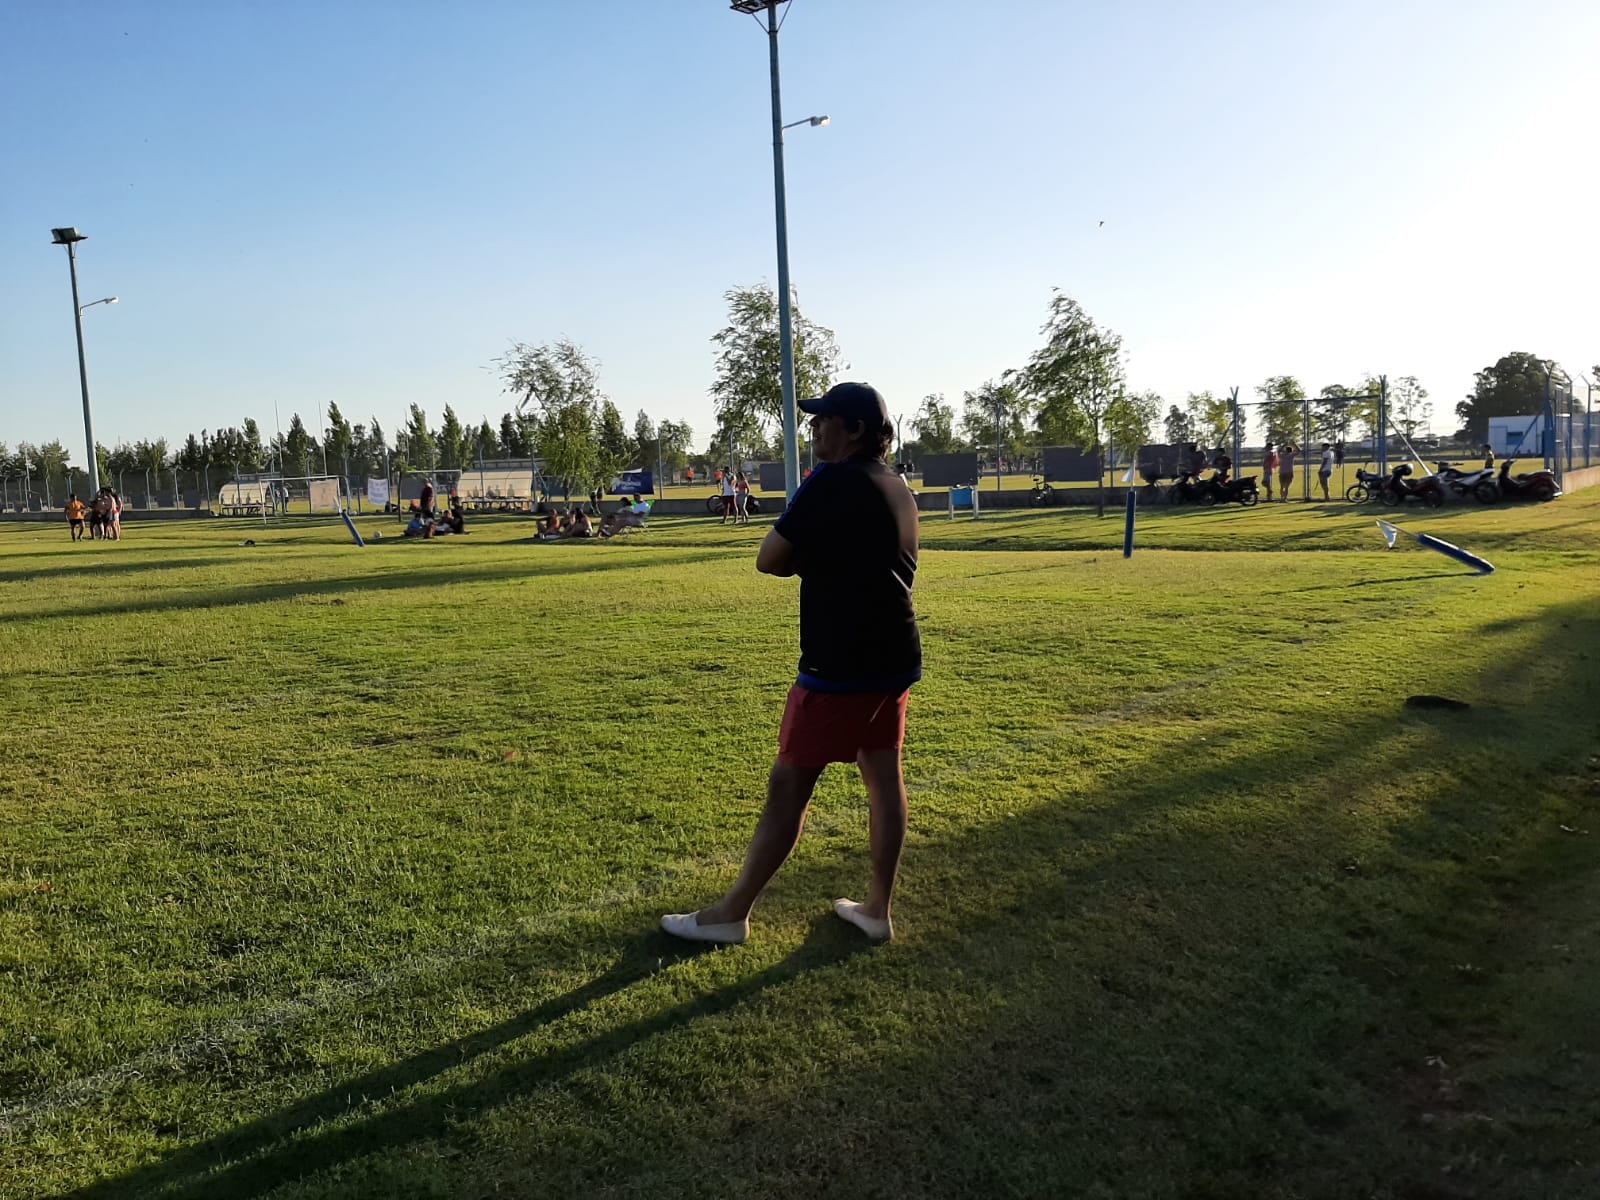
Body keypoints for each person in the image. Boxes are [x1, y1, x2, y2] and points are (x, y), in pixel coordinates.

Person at [662, 382, 920, 946]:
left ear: (855, 430)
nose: (814, 427)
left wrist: (815, 559)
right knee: (883, 776)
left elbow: (770, 558)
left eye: (825, 419)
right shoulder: (897, 484)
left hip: (840, 663)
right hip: (895, 654)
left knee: (789, 785)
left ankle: (731, 914)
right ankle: (877, 908)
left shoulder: (830, 481)